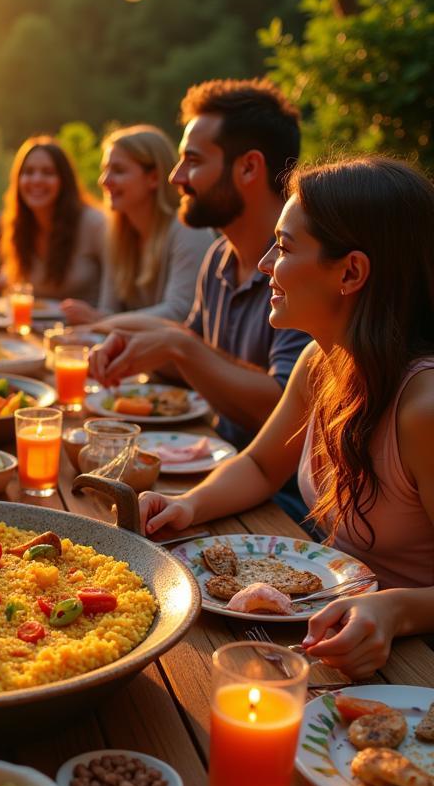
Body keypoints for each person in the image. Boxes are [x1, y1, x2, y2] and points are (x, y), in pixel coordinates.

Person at [140, 155, 434, 678]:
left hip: (409, 657)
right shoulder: (321, 360)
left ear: (351, 272)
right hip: (323, 624)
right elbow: (258, 467)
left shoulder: (423, 407)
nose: (264, 263)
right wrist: (187, 506)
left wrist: (395, 608)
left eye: (286, 246)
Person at [90, 79, 310, 454]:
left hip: (284, 503)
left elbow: (287, 409)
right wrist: (138, 347)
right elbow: (196, 357)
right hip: (215, 461)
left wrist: (178, 346)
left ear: (248, 168)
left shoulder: (302, 266)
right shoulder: (219, 258)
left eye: (192, 161)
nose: (175, 177)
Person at [61, 125, 212, 326]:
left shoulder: (188, 230)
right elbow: (109, 308)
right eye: (105, 170)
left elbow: (179, 312)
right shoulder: (116, 233)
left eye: (118, 171)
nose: (104, 180)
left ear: (154, 178)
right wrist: (100, 319)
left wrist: (104, 321)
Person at [0, 136, 106, 303]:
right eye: (28, 172)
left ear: (64, 181)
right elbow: (15, 283)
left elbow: (113, 303)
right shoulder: (18, 225)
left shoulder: (94, 223)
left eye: (48, 173)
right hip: (35, 327)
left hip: (89, 327)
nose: (37, 180)